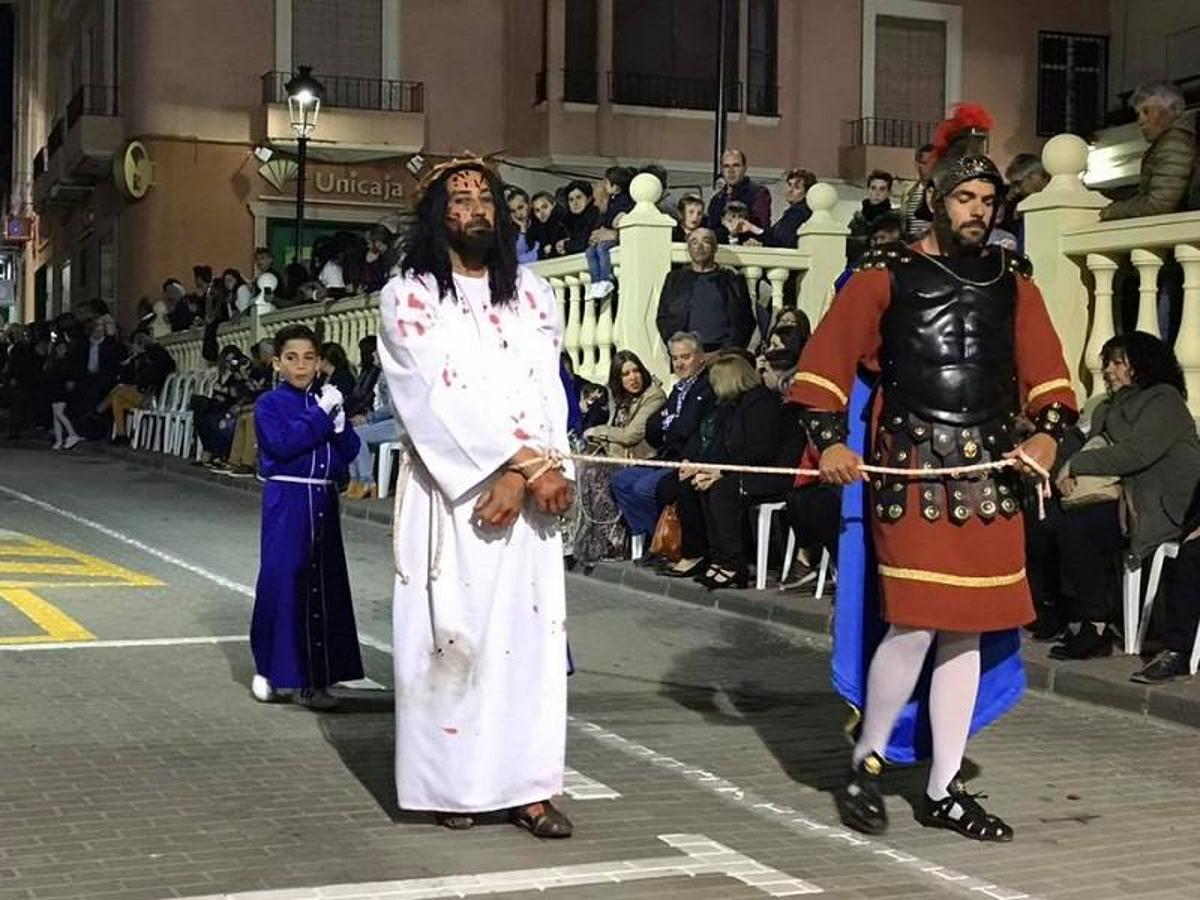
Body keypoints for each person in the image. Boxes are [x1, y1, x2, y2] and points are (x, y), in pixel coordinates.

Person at [791, 104, 1078, 841]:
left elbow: (1050, 378)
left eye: (988, 201)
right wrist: (828, 442)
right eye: (965, 198)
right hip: (911, 468)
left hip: (990, 475)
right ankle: (867, 759)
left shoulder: (1015, 280)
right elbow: (824, 364)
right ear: (936, 200)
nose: (978, 212)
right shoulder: (884, 272)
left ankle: (945, 787)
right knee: (916, 623)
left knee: (968, 634)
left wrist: (1047, 440)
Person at [377, 157, 575, 837]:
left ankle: (530, 788)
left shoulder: (533, 295)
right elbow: (433, 393)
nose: (476, 209)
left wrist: (542, 470)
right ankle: (452, 786)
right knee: (453, 639)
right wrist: (513, 466)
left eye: (485, 196)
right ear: (438, 214)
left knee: (531, 641)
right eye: (459, 199)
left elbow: (549, 387)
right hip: (456, 495)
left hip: (529, 488)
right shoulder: (409, 295)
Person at [1045, 331, 1200, 660]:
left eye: (1118, 363)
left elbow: (1135, 453)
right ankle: (1063, 613)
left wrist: (1076, 465)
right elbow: (1092, 441)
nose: (1109, 371)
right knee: (1052, 520)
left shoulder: (1164, 401)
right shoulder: (1109, 406)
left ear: (1141, 365)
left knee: (1081, 529)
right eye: (1107, 363)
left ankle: (1095, 625)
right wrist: (1067, 471)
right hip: (1129, 500)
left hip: (1165, 507)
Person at [250, 324, 363, 710]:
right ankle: (271, 668)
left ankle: (316, 678)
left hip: (323, 498)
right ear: (278, 363)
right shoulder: (269, 404)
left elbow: (348, 451)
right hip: (288, 497)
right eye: (292, 358)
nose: (301, 366)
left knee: (322, 585)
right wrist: (319, 416)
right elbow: (283, 444)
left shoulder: (325, 400)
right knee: (283, 581)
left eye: (309, 358)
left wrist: (340, 420)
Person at [670, 353, 800, 589]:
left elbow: (761, 450)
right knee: (701, 485)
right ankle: (717, 556)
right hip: (741, 468)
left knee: (722, 490)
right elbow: (727, 447)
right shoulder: (734, 407)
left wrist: (721, 471)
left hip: (769, 473)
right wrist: (705, 468)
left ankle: (733, 562)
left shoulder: (761, 404)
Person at [611, 332, 715, 552]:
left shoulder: (706, 387)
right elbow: (653, 429)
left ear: (700, 357)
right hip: (665, 456)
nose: (679, 363)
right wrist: (670, 428)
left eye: (685, 357)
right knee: (620, 480)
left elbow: (687, 428)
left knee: (643, 488)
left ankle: (667, 545)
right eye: (675, 358)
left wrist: (669, 428)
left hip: (686, 459)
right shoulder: (677, 389)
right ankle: (652, 538)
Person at [574, 351, 666, 570]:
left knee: (598, 476)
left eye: (635, 371)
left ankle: (616, 542)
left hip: (644, 459)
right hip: (618, 457)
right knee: (584, 470)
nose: (632, 378)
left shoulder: (654, 396)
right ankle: (595, 541)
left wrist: (599, 430)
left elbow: (630, 435)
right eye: (625, 374)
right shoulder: (618, 398)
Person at [1100, 80, 1198, 221]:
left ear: (1170, 109)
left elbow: (1160, 203)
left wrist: (1111, 211)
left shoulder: (1175, 142)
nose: (1141, 121)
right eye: (1139, 114)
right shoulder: (1179, 138)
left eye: (1146, 111)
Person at [655, 228, 755, 352]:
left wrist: (723, 354)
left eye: (706, 241)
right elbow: (663, 318)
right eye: (694, 242)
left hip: (723, 357)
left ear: (715, 248)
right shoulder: (674, 280)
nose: (699, 247)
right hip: (686, 355)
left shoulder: (733, 281)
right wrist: (681, 350)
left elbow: (746, 323)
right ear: (688, 249)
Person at [99, 331, 175, 443]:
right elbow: (126, 378)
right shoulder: (140, 358)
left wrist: (138, 363)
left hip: (152, 396)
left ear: (140, 345)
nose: (132, 348)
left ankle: (98, 412)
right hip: (142, 392)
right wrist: (130, 363)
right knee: (117, 397)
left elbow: (149, 379)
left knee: (118, 392)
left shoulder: (157, 356)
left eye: (133, 345)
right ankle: (121, 434)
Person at [585, 166, 635, 299]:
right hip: (607, 233)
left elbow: (620, 219)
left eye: (607, 182)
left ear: (616, 186)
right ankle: (596, 282)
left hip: (614, 237)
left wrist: (613, 226)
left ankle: (606, 278)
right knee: (590, 252)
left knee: (602, 249)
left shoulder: (625, 201)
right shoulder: (613, 201)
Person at [706, 148, 771, 230]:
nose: (731, 171)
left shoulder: (758, 193)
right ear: (722, 170)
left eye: (736, 165)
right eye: (726, 166)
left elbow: (762, 228)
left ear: (744, 168)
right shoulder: (717, 199)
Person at [847, 170, 895, 262]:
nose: (877, 193)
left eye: (882, 189)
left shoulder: (893, 220)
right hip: (858, 266)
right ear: (868, 190)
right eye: (873, 188)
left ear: (888, 192)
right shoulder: (857, 220)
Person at [44, 339, 83, 450]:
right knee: (55, 416)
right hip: (54, 389)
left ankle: (73, 434)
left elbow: (71, 375)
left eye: (63, 348)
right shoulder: (53, 361)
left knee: (59, 413)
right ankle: (59, 440)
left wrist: (70, 382)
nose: (61, 350)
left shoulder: (68, 361)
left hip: (62, 390)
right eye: (59, 348)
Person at [765, 168, 816, 248]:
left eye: (797, 187)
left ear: (807, 192)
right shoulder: (794, 212)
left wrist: (754, 230)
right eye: (789, 185)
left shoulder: (798, 212)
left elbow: (780, 241)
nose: (790, 190)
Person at [900, 144, 936, 242]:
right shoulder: (908, 191)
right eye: (925, 163)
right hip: (911, 244)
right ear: (917, 164)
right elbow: (904, 221)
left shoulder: (942, 191)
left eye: (933, 163)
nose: (930, 167)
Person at [558, 179, 600, 256]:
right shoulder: (565, 221)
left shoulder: (596, 216)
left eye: (578, 197)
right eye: (571, 200)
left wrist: (566, 245)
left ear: (589, 199)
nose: (575, 203)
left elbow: (584, 242)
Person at [529, 191, 570, 260]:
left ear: (553, 205)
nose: (542, 213)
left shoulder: (564, 222)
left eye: (545, 207)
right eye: (537, 210)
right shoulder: (536, 229)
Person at [506, 186, 541, 264]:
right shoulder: (511, 231)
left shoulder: (540, 222)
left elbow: (539, 255)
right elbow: (516, 259)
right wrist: (522, 230)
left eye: (520, 207)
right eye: (513, 211)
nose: (518, 214)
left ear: (529, 205)